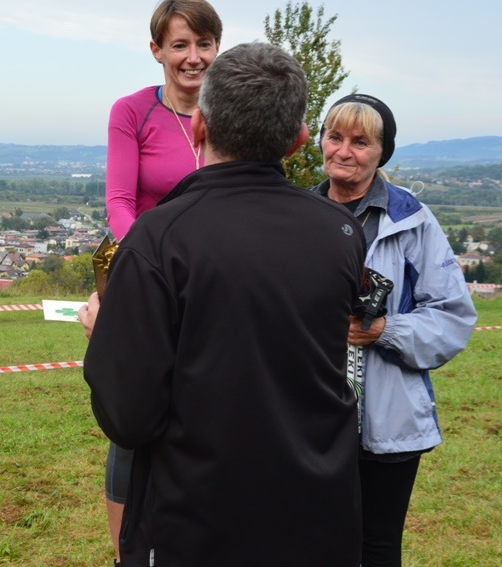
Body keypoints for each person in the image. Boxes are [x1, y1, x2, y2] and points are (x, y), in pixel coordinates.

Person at [82, 42, 366, 566]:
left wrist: (108, 334)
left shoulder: (160, 237)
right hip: (318, 517)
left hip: (197, 523)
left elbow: (128, 417)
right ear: (300, 140)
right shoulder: (340, 232)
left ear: (199, 127)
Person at [315, 93, 476, 567]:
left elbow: (452, 316)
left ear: (382, 152)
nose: (344, 152)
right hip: (310, 415)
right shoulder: (297, 214)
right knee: (311, 539)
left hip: (388, 422)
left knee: (378, 545)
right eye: (334, 137)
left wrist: (384, 330)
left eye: (360, 142)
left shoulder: (412, 220)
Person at [101, 0, 222, 564]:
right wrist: (152, 262)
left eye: (204, 43)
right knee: (135, 418)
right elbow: (120, 203)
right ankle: (127, 551)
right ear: (156, 50)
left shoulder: (230, 113)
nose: (193, 57)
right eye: (180, 45)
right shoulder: (133, 111)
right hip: (150, 283)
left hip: (216, 287)